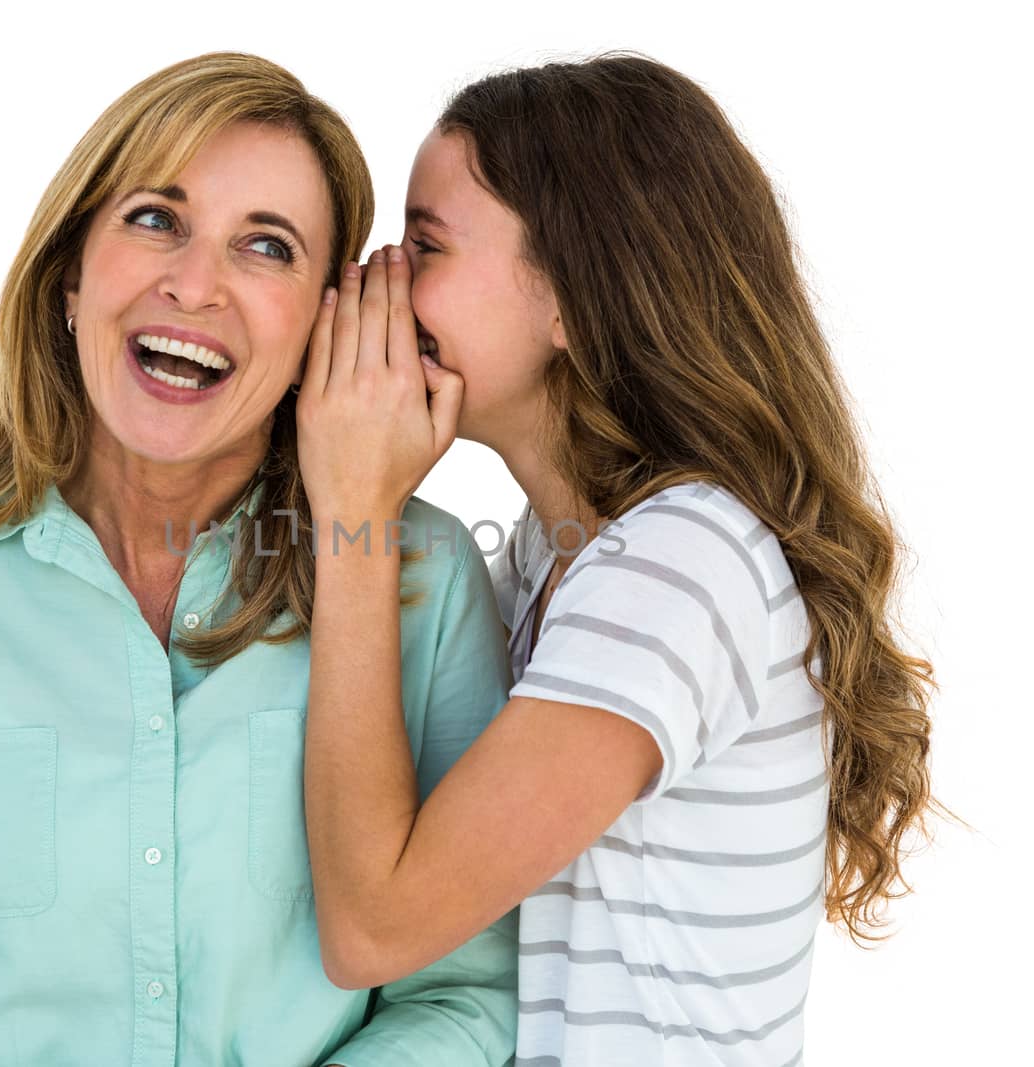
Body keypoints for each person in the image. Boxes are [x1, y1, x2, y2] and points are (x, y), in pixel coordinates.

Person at [0, 52, 518, 1067]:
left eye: (265, 247)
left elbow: (464, 993)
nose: (195, 284)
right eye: (153, 218)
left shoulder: (421, 576)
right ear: (68, 276)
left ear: (329, 319)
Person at [295, 53, 937, 1066]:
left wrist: (354, 512)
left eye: (426, 243)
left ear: (568, 300)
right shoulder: (555, 566)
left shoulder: (677, 566)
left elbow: (376, 925)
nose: (377, 277)